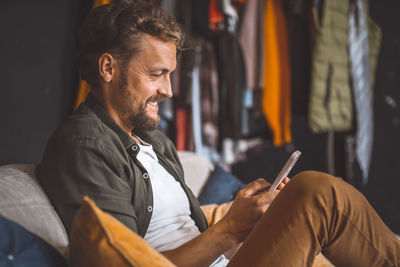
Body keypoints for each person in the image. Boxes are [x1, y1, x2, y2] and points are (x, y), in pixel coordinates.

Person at [36, 0, 400, 266]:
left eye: (170, 75)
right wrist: (229, 229)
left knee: (303, 202)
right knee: (317, 195)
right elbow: (128, 260)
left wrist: (241, 220)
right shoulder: (83, 144)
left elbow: (197, 239)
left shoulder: (156, 143)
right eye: (155, 74)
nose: (169, 91)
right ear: (108, 68)